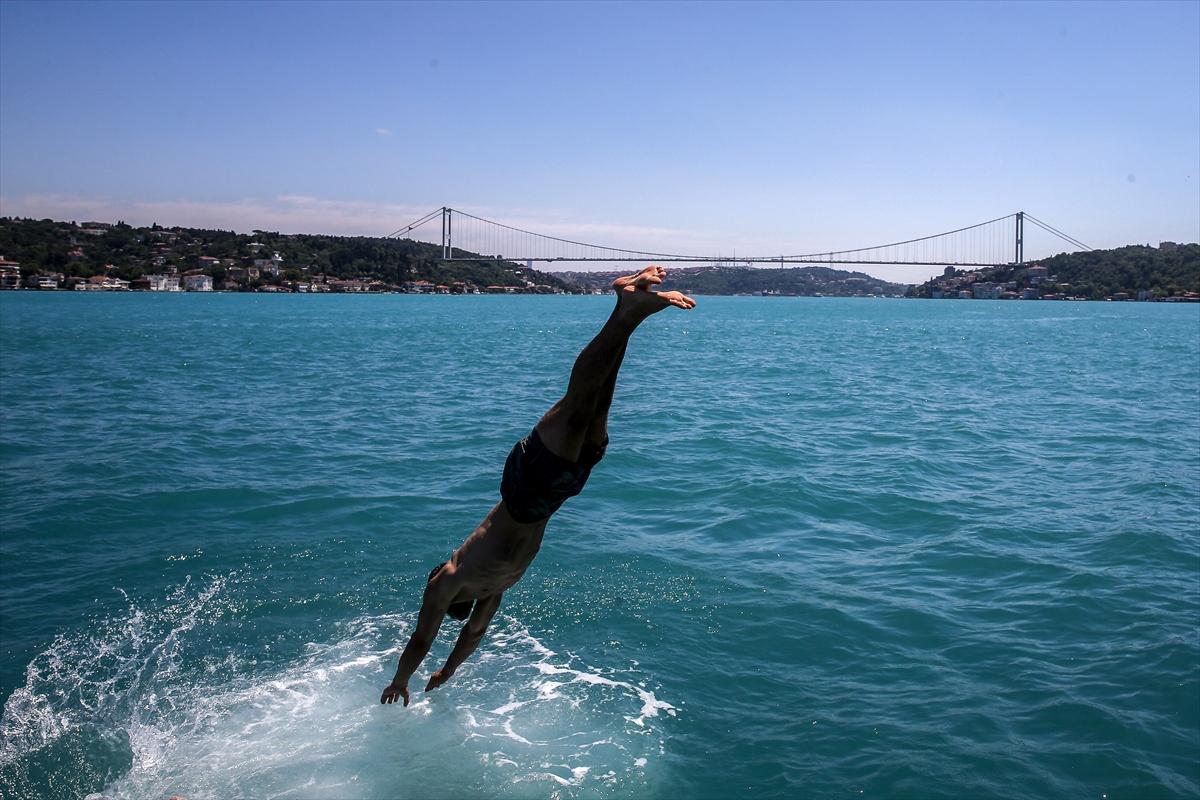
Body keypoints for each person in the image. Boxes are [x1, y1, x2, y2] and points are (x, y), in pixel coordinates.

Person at [380, 266, 695, 706]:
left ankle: (628, 307)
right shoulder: (490, 592)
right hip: (559, 492)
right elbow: (474, 634)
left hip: (527, 487)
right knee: (600, 397)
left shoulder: (449, 578)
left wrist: (401, 679)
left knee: (581, 397)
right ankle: (631, 309)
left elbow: (420, 637)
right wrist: (449, 669)